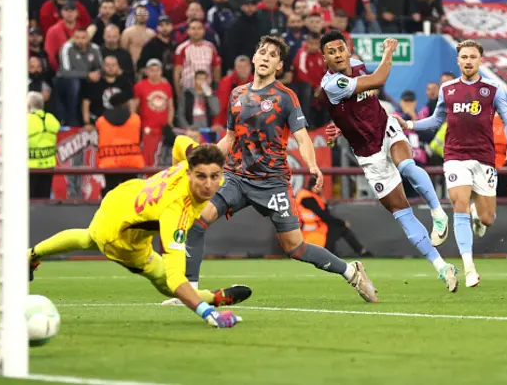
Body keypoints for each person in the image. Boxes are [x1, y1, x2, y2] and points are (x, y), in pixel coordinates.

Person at [165, 35, 378, 306]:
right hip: (236, 178)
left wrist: (312, 164)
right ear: (254, 58)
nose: (265, 57)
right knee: (196, 222)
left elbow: (302, 137)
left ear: (279, 65)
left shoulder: (285, 97)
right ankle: (190, 294)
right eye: (262, 52)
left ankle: (351, 271)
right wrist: (203, 162)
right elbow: (230, 138)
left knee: (295, 248)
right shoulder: (237, 94)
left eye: (272, 55)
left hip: (273, 183)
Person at [28, 137, 249, 329]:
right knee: (164, 279)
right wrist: (207, 313)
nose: (209, 185)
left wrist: (171, 174)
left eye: (215, 176)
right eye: (201, 177)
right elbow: (175, 280)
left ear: (222, 173)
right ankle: (213, 300)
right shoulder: (176, 212)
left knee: (87, 237)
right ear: (190, 173)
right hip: (120, 238)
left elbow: (180, 141)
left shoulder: (191, 159)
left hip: (123, 197)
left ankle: (31, 255)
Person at [321, 30, 458, 292]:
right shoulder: (331, 83)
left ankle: (438, 213)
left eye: (341, 49)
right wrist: (388, 52)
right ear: (324, 58)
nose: (338, 55)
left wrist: (340, 123)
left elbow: (366, 94)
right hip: (367, 154)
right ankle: (442, 267)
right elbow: (379, 79)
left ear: (348, 50)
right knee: (402, 212)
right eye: (331, 52)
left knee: (407, 165)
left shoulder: (358, 67)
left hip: (385, 128)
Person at [395, 39, 507, 288]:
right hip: (455, 156)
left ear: (480, 60)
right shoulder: (448, 89)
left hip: (484, 157)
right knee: (459, 203)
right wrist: (409, 124)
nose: (468, 61)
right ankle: (469, 267)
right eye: (464, 57)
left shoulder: (493, 89)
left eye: (473, 57)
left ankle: (477, 215)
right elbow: (436, 120)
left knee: (487, 219)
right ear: (458, 60)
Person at [296, 178, 373, 257]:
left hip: (317, 232)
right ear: (314, 186)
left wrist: (325, 204)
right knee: (341, 227)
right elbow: (325, 216)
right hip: (311, 236)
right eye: (319, 187)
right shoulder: (307, 198)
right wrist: (342, 222)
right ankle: (361, 251)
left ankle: (361, 251)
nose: (321, 190)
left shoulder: (311, 196)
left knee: (339, 229)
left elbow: (324, 214)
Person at [28, 92, 61, 200]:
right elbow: (57, 126)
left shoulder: (26, 120)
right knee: (44, 198)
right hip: (48, 165)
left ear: (28, 106)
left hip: (30, 165)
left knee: (29, 200)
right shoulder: (51, 118)